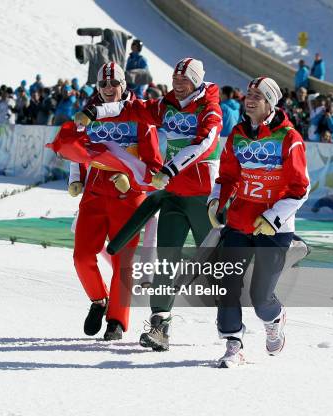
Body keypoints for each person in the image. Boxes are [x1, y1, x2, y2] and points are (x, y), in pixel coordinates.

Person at [76, 57, 223, 350]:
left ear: (195, 82)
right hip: (172, 195)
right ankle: (160, 328)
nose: (177, 86)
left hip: (202, 196)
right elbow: (132, 108)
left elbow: (204, 143)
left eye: (184, 82)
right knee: (165, 262)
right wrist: (96, 110)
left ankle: (248, 317)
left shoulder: (210, 109)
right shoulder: (165, 106)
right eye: (175, 81)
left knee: (218, 265)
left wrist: (169, 169)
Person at [207, 77, 309, 367]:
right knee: (226, 282)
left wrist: (273, 217)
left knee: (260, 297)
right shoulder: (238, 134)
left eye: (257, 95)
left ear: (270, 102)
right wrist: (216, 201)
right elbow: (226, 177)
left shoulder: (289, 138)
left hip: (274, 228)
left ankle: (274, 318)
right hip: (239, 222)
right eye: (247, 94)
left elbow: (301, 188)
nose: (249, 99)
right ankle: (233, 344)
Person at [68, 62, 163, 340]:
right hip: (95, 195)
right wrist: (76, 177)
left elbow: (154, 167)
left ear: (124, 86)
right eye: (103, 85)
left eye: (114, 84)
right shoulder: (90, 113)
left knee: (124, 263)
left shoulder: (139, 114)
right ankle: (99, 301)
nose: (109, 89)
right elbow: (77, 148)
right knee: (82, 257)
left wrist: (131, 182)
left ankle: (117, 321)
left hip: (128, 198)